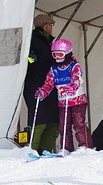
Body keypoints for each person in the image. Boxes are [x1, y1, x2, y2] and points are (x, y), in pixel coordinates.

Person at [36, 39, 93, 152]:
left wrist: (74, 86)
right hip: (63, 102)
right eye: (54, 54)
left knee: (78, 123)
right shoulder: (53, 69)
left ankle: (85, 145)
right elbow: (49, 84)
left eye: (60, 54)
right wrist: (43, 92)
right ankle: (66, 148)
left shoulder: (74, 66)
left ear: (67, 53)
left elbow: (77, 77)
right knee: (63, 126)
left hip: (77, 100)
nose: (57, 57)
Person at [24, 13, 59, 154]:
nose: (51, 27)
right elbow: (27, 59)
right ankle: (33, 150)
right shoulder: (33, 39)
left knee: (52, 120)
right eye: (50, 25)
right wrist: (34, 61)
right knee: (39, 119)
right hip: (35, 84)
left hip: (49, 85)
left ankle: (46, 150)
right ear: (45, 26)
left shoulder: (46, 41)